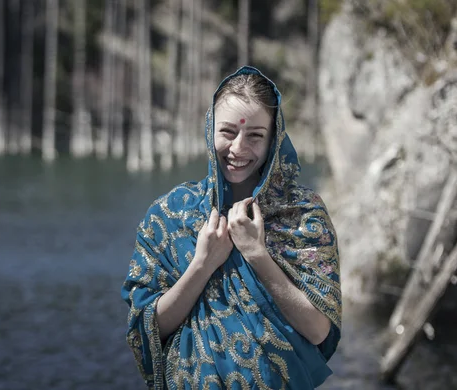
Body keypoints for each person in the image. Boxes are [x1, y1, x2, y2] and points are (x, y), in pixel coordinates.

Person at [121, 66, 341, 389]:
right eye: (228, 132)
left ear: (274, 138)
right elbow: (147, 330)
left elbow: (319, 329)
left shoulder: (303, 216)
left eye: (255, 135)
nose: (238, 148)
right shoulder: (169, 216)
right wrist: (203, 263)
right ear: (210, 129)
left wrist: (257, 253)